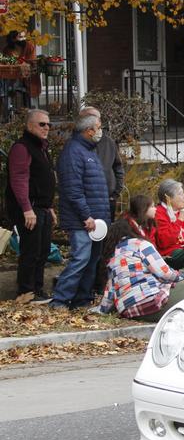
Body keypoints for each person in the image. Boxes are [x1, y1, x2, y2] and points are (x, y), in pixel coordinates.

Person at [99, 195, 184, 320]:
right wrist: (183, 278)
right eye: (152, 206)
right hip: (148, 302)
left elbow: (110, 287)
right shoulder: (141, 245)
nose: (155, 209)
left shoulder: (116, 254)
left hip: (127, 309)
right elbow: (165, 274)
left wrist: (101, 310)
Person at [50, 112, 112, 310]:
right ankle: (59, 300)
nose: (101, 131)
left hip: (95, 220)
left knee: (92, 260)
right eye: (99, 127)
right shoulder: (73, 152)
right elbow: (72, 189)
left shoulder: (88, 150)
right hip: (82, 220)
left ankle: (81, 300)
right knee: (81, 259)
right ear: (89, 130)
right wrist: (86, 215)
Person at [5, 109, 57, 304]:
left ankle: (37, 289)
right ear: (29, 126)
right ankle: (26, 291)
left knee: (43, 250)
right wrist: (27, 208)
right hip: (29, 208)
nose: (46, 128)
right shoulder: (22, 147)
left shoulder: (42, 147)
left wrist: (49, 206)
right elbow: (19, 179)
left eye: (48, 124)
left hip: (41, 207)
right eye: (41, 124)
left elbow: (43, 180)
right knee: (31, 250)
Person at [79, 106, 125, 297]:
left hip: (107, 200)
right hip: (86, 203)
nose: (95, 127)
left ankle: (101, 284)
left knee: (105, 243)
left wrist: (116, 191)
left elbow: (118, 167)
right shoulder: (77, 145)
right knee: (86, 245)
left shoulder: (108, 142)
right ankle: (85, 288)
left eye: (97, 122)